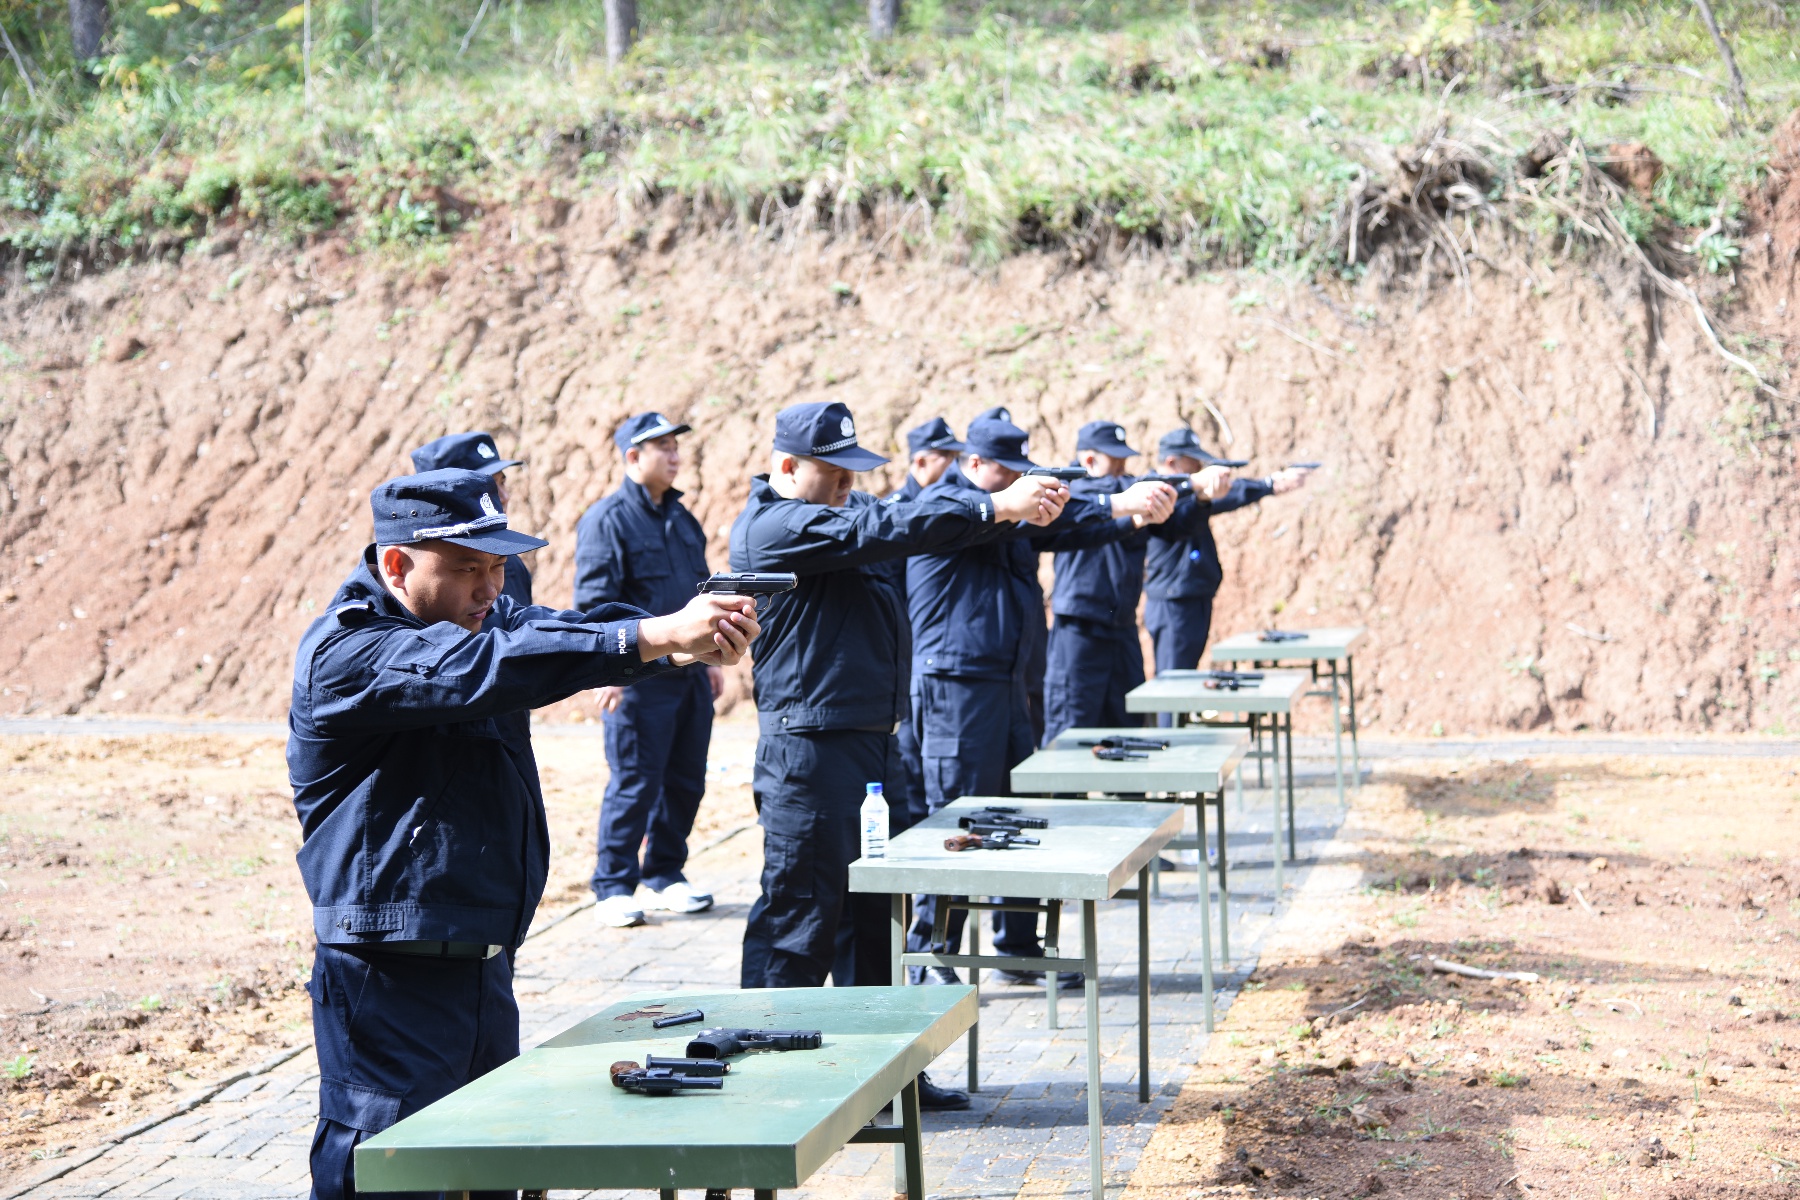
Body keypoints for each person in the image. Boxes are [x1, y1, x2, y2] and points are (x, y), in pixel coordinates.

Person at [288, 468, 758, 1200]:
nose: (490, 589)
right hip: (390, 975)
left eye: (499, 566)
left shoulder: (481, 621)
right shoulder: (349, 653)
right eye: (468, 569)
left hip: (481, 962)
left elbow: (548, 631)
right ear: (395, 566)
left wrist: (678, 645)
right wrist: (657, 634)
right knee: (388, 1178)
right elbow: (480, 667)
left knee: (491, 1174)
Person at [728, 400, 1067, 1110]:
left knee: (875, 926)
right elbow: (883, 524)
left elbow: (888, 522)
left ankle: (883, 1083)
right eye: (835, 473)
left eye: (855, 472)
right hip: (809, 755)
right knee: (798, 924)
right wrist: (991, 508)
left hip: (874, 752)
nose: (850, 486)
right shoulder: (775, 525)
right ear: (787, 468)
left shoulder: (839, 519)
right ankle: (763, 1095)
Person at [904, 416, 1177, 988]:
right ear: (974, 465)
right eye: (1009, 473)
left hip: (1005, 686)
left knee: (1015, 817)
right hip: (955, 687)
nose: (1021, 486)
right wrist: (1115, 500)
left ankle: (1019, 944)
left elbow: (1069, 527)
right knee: (954, 821)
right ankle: (932, 953)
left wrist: (1120, 510)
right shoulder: (952, 504)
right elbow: (1019, 519)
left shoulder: (1008, 510)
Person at [573, 412, 721, 929]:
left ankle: (664, 874)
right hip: (638, 676)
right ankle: (613, 884)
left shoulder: (683, 519)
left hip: (689, 674)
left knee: (686, 778)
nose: (676, 456)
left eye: (677, 447)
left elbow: (701, 593)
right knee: (635, 781)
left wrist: (708, 657)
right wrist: (607, 668)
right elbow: (594, 604)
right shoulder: (606, 520)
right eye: (663, 448)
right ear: (633, 457)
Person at [1041, 422, 1231, 745]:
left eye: (1123, 462)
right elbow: (1102, 502)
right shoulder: (1072, 493)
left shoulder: (1125, 490)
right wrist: (1189, 483)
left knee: (1127, 728)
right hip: (1079, 629)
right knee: (1069, 728)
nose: (1123, 469)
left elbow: (1174, 529)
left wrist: (1200, 499)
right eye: (1114, 462)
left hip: (1122, 626)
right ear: (1087, 460)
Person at [1143, 428, 1310, 691]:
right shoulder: (1155, 493)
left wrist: (1268, 485)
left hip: (1188, 597)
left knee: (1183, 685)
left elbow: (1228, 494)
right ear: (1172, 463)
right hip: (1173, 601)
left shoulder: (1185, 494)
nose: (1199, 468)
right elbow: (1182, 515)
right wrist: (1200, 491)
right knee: (1172, 686)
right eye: (1193, 464)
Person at [409, 432, 533, 607]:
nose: (504, 497)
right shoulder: (414, 575)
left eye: (502, 483)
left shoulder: (510, 565)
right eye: (486, 487)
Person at [887, 416, 966, 504]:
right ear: (921, 462)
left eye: (957, 455)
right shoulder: (894, 509)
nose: (956, 461)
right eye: (949, 455)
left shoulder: (960, 492)